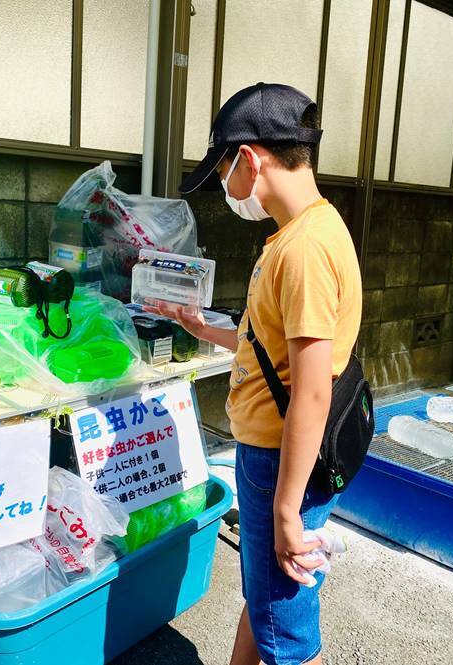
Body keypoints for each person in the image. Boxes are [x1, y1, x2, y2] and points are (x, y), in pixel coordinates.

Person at [153, 83, 362, 664]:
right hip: (273, 458)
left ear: (249, 158)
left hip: (280, 463)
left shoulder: (304, 251)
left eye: (222, 169)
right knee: (267, 601)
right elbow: (266, 344)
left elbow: (313, 393)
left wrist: (287, 512)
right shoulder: (305, 233)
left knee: (289, 640)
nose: (224, 189)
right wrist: (202, 328)